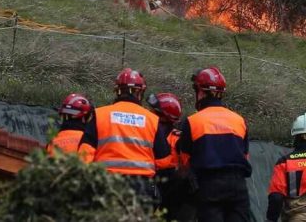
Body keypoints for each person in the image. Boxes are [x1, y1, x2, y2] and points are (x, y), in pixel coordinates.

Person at [79, 68, 171, 200]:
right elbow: (164, 161)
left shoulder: (100, 115)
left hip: (107, 185)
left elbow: (84, 155)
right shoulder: (152, 119)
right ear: (140, 92)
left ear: (117, 91)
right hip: (141, 188)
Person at [178, 66, 252, 222]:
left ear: (201, 92)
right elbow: (245, 156)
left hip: (209, 186)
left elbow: (185, 161)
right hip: (238, 185)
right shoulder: (239, 120)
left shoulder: (193, 121)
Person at [146, 92, 195, 221]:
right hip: (151, 186)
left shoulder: (178, 139)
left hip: (174, 192)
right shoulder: (147, 133)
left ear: (163, 117)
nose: (148, 112)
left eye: (153, 111)